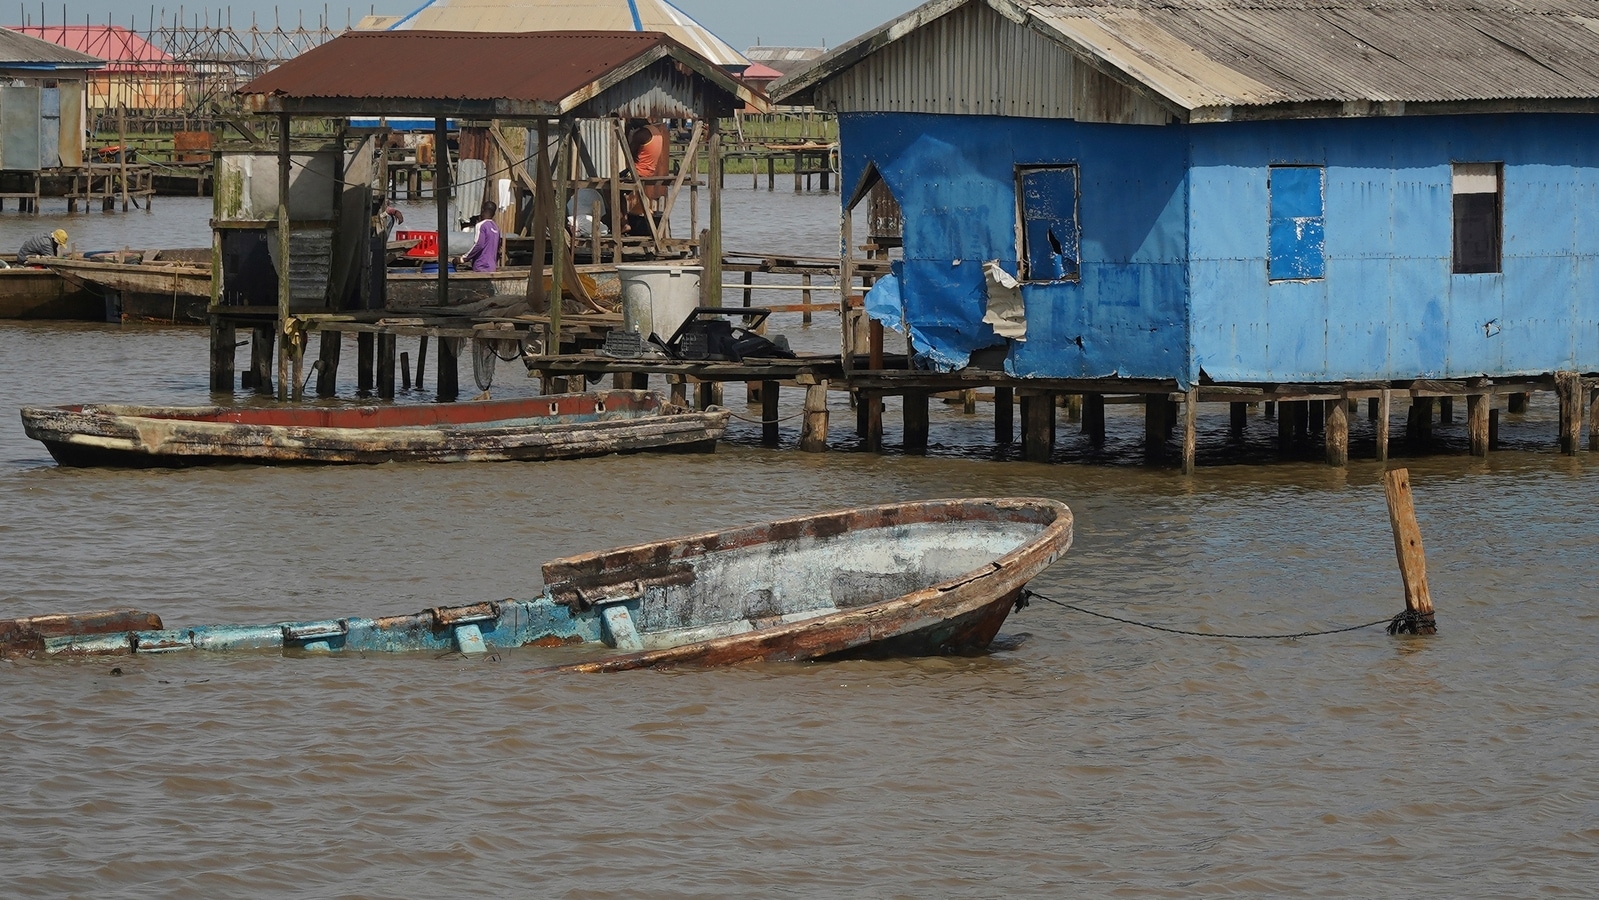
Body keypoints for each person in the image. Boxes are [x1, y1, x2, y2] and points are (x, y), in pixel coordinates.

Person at [457, 199, 500, 272]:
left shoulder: (481, 225)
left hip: (481, 266)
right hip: (492, 267)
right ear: (494, 213)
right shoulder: (496, 227)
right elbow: (498, 247)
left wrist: (463, 258)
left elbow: (479, 245)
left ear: (482, 210)